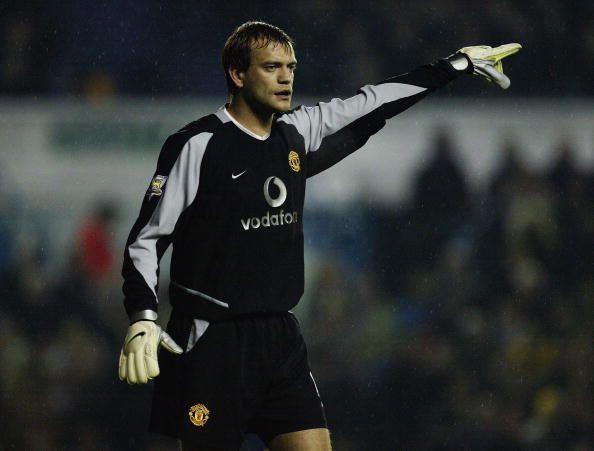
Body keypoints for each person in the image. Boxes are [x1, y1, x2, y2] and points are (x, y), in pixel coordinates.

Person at [118, 21, 521, 450]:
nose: (286, 76)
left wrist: (454, 65)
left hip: (280, 337)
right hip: (211, 338)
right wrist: (143, 316)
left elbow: (374, 101)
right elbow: (147, 238)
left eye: (290, 66)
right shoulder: (197, 145)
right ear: (237, 74)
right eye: (271, 66)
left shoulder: (297, 130)